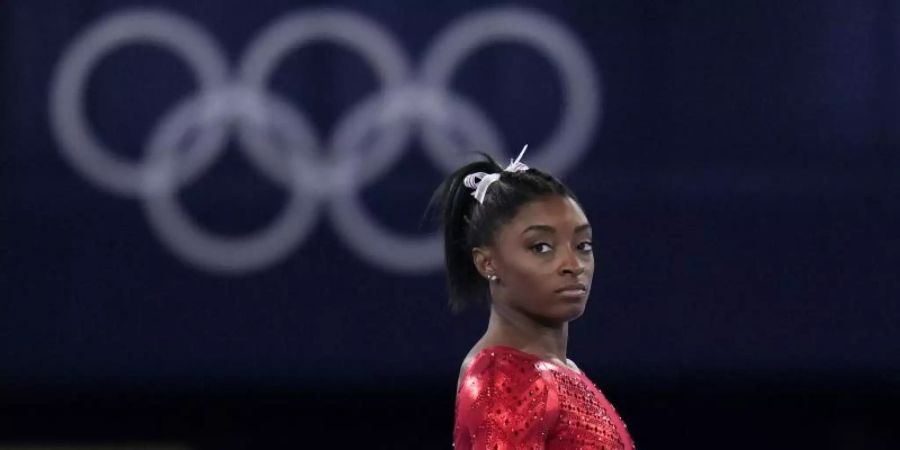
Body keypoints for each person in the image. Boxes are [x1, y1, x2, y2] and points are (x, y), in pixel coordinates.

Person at [430, 146, 635, 449]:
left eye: (583, 245)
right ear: (488, 263)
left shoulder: (559, 371)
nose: (573, 265)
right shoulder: (502, 378)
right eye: (541, 247)